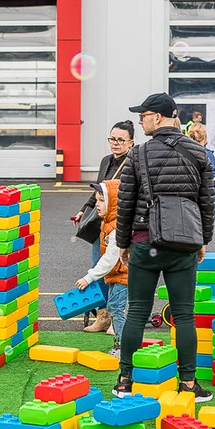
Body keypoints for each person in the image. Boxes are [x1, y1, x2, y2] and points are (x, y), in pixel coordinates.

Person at [115, 92, 215, 403]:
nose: (141, 121)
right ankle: (188, 384)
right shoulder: (199, 152)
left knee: (137, 311)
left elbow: (125, 203)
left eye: (143, 116)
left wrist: (122, 242)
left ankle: (125, 380)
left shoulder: (138, 154)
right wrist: (204, 240)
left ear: (157, 118)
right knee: (185, 315)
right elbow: (206, 203)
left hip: (146, 242)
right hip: (184, 243)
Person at [75, 121, 134, 333]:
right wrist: (85, 209)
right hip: (101, 221)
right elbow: (98, 192)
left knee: (119, 269)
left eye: (120, 140)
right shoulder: (105, 161)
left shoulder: (133, 162)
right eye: (112, 139)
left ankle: (117, 314)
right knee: (98, 265)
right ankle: (103, 317)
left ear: (131, 142)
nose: (115, 143)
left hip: (121, 221)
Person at [74, 182, 127, 355]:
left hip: (123, 274)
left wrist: (88, 277)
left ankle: (123, 347)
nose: (97, 204)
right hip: (116, 274)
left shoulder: (116, 227)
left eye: (102, 200)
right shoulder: (108, 222)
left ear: (115, 203)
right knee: (114, 307)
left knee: (117, 309)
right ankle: (121, 343)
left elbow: (110, 259)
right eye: (97, 200)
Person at [188, 123, 215, 221]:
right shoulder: (206, 154)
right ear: (205, 136)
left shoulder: (185, 153)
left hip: (189, 205)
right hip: (206, 204)